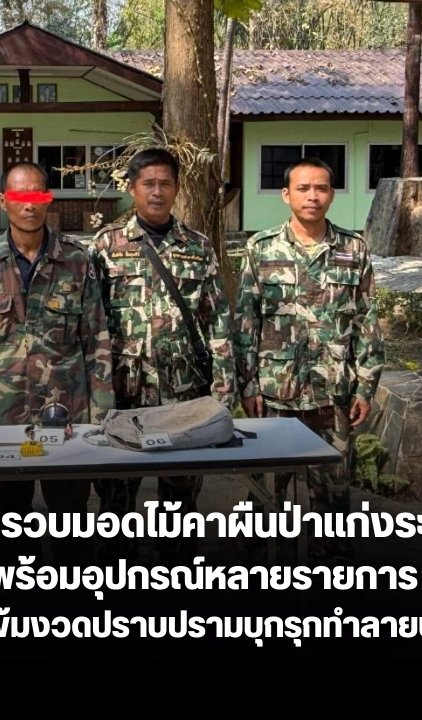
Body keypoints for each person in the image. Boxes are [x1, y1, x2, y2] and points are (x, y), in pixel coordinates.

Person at [0, 161, 112, 567]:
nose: (30, 205)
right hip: (2, 417)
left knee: (71, 523)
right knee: (12, 522)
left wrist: (102, 411)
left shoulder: (76, 260)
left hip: (67, 417)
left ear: (48, 199)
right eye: (20, 196)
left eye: (37, 195)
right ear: (3, 201)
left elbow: (96, 339)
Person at [89, 147, 236, 564]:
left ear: (176, 189)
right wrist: (95, 392)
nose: (157, 192)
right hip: (124, 394)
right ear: (132, 189)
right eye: (148, 183)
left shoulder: (198, 247)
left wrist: (223, 390)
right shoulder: (105, 245)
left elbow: (218, 322)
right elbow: (92, 324)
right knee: (115, 499)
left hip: (183, 395)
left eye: (165, 184)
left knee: (180, 498)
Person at [234, 157, 384, 559]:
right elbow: (246, 321)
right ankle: (257, 565)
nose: (312, 196)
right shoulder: (261, 248)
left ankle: (328, 566)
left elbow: (367, 321)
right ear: (286, 195)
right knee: (266, 488)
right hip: (275, 393)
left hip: (331, 393)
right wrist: (248, 385)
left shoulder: (353, 248)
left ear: (332, 194)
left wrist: (365, 387)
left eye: (321, 188)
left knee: (333, 490)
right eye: (303, 188)